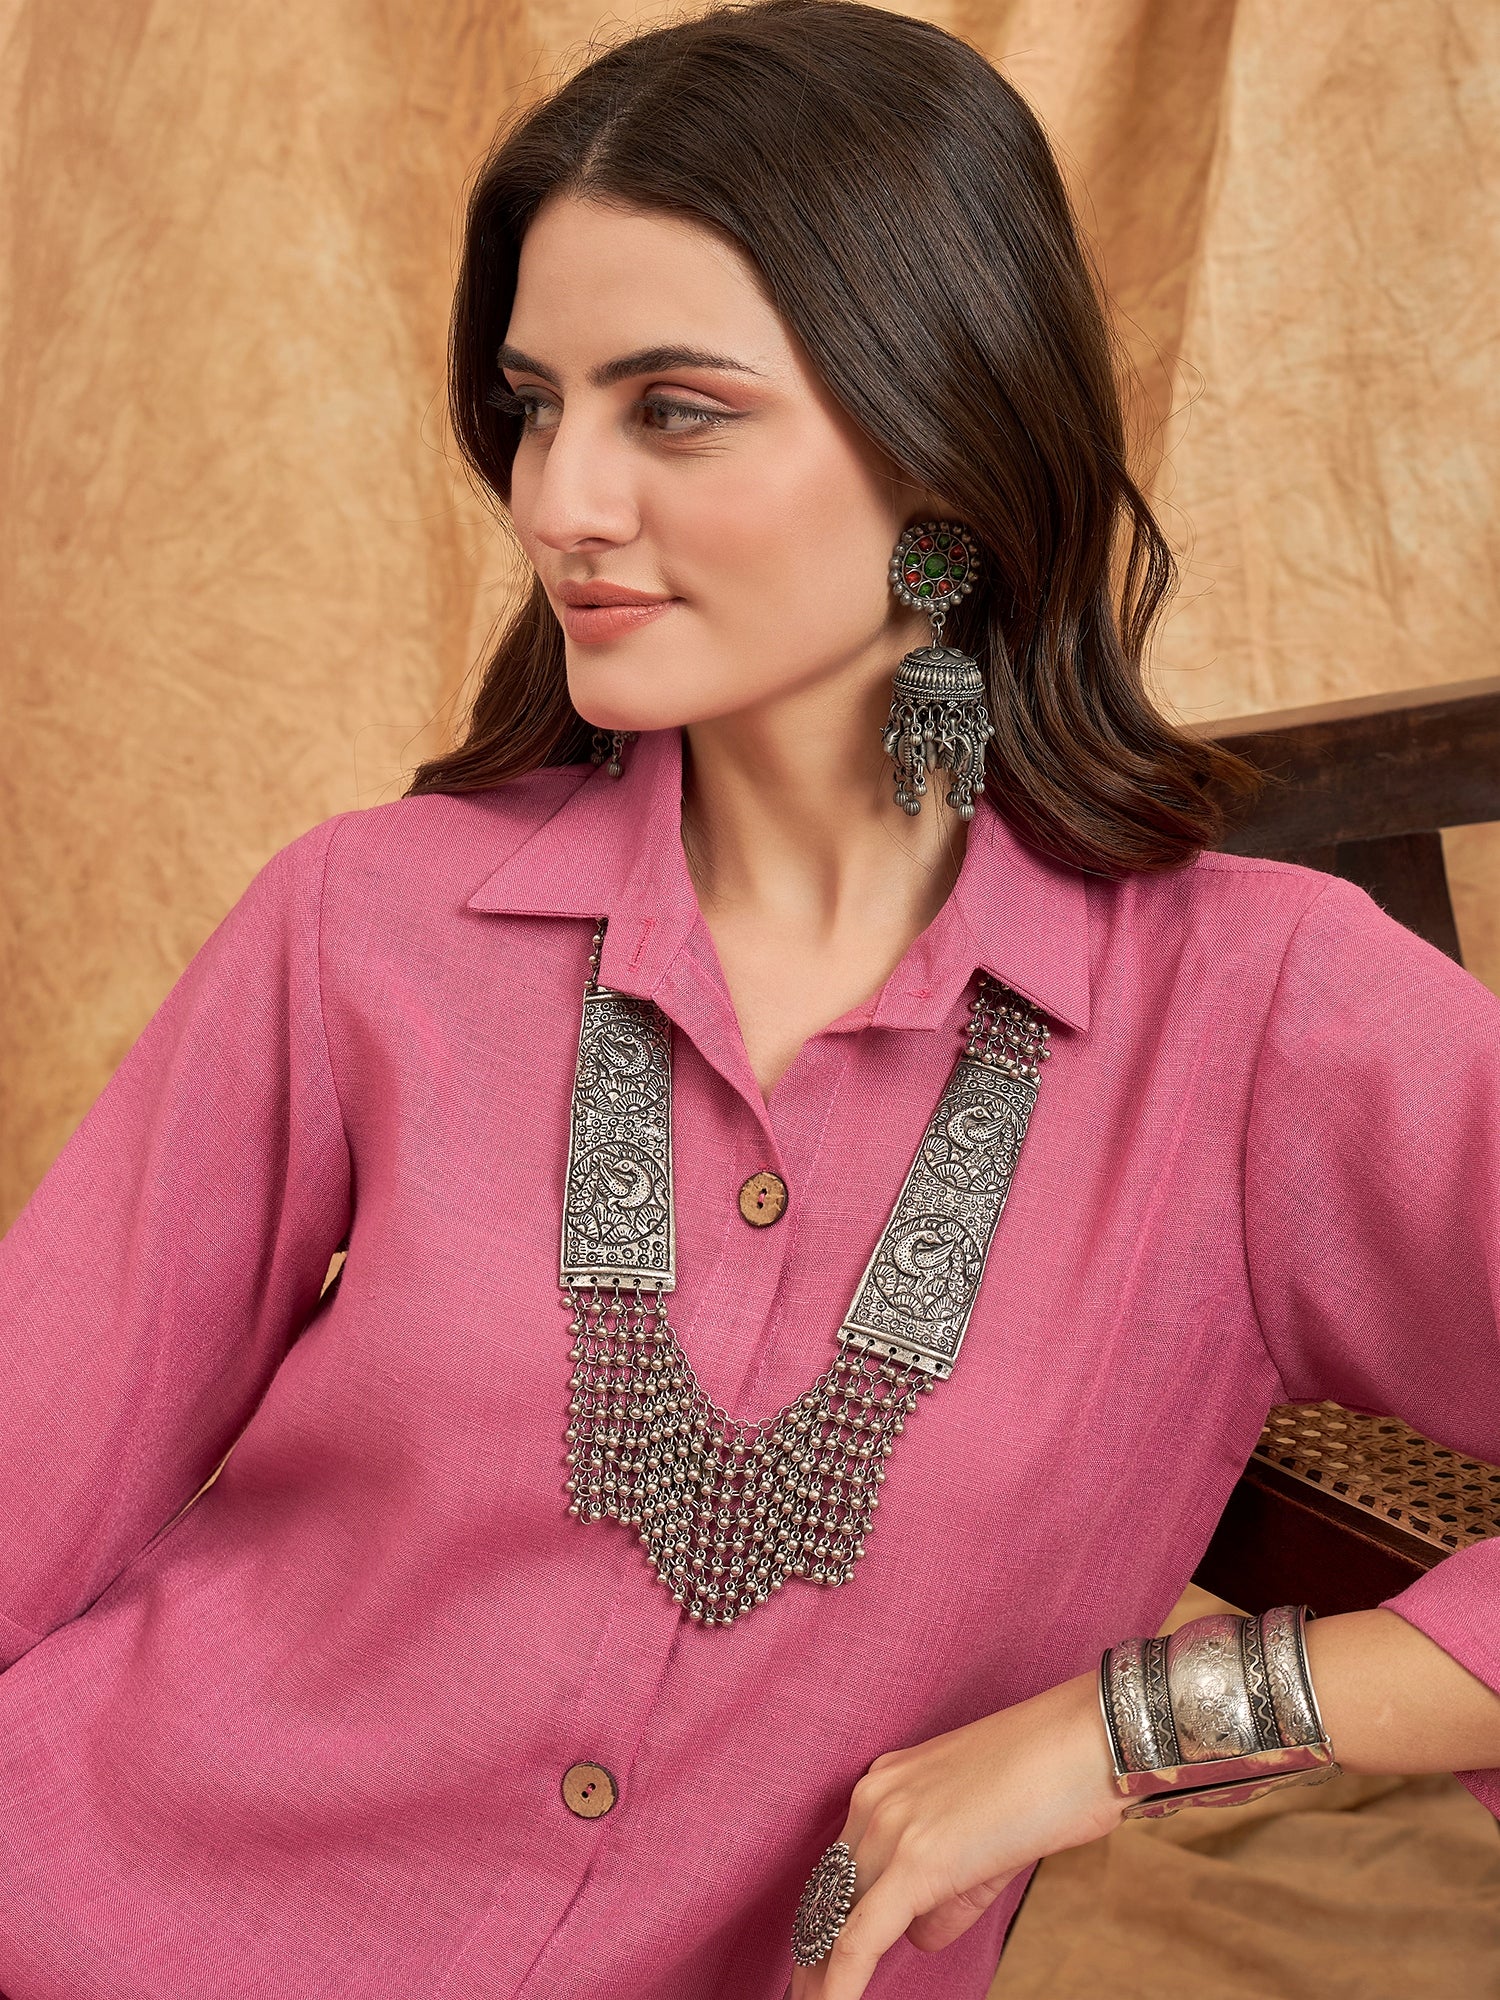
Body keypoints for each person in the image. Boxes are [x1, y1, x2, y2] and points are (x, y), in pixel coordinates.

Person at [2, 3, 1497, 1995]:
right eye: (534, 407)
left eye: (674, 410)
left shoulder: (1265, 1021)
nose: (560, 501)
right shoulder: (364, 923)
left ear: (944, 449)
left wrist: (1129, 1727)